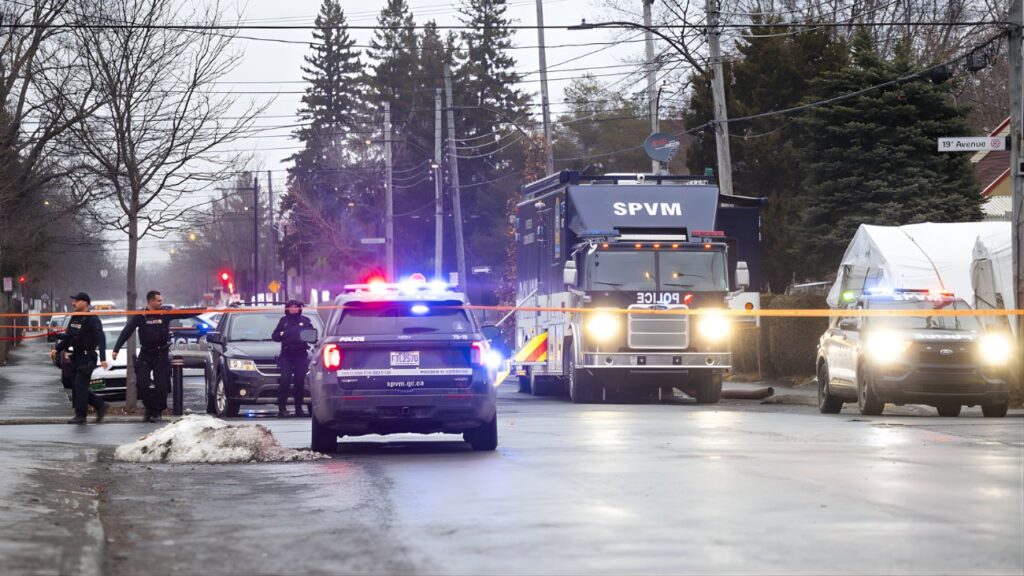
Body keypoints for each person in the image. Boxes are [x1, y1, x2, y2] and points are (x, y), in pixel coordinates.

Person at [112, 291, 201, 423]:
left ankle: (157, 412)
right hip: (146, 353)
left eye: (161, 300)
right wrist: (116, 349)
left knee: (162, 386)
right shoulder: (141, 315)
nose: (161, 302)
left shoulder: (165, 313)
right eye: (158, 301)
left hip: (161, 353)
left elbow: (184, 313)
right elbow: (127, 330)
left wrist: (204, 310)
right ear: (150, 301)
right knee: (142, 384)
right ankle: (149, 408)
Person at [50, 293, 108, 424]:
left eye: (76, 301)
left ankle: (81, 415)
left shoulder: (93, 319)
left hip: (88, 357)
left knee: (79, 385)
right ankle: (100, 405)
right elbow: (69, 337)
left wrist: (103, 358)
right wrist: (57, 349)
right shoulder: (75, 318)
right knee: (76, 387)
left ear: (85, 303)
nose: (73, 303)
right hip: (76, 356)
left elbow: (101, 339)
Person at [271, 299, 315, 417]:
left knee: (299, 382)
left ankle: (299, 408)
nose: (294, 309)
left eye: (296, 307)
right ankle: (282, 408)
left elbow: (313, 337)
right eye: (291, 307)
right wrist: (281, 334)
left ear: (300, 308)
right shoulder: (283, 321)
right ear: (287, 308)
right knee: (285, 381)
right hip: (286, 355)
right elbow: (274, 336)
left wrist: (309, 336)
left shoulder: (305, 321)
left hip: (300, 355)